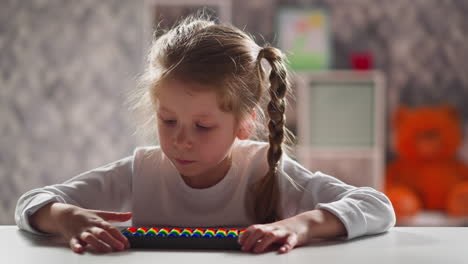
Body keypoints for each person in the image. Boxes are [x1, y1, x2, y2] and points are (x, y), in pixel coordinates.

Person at [15, 14, 395, 255]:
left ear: (243, 124)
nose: (182, 140)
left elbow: (377, 206)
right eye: (168, 121)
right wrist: (67, 219)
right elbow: (33, 202)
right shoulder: (142, 170)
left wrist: (302, 224)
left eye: (202, 126)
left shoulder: (265, 169)